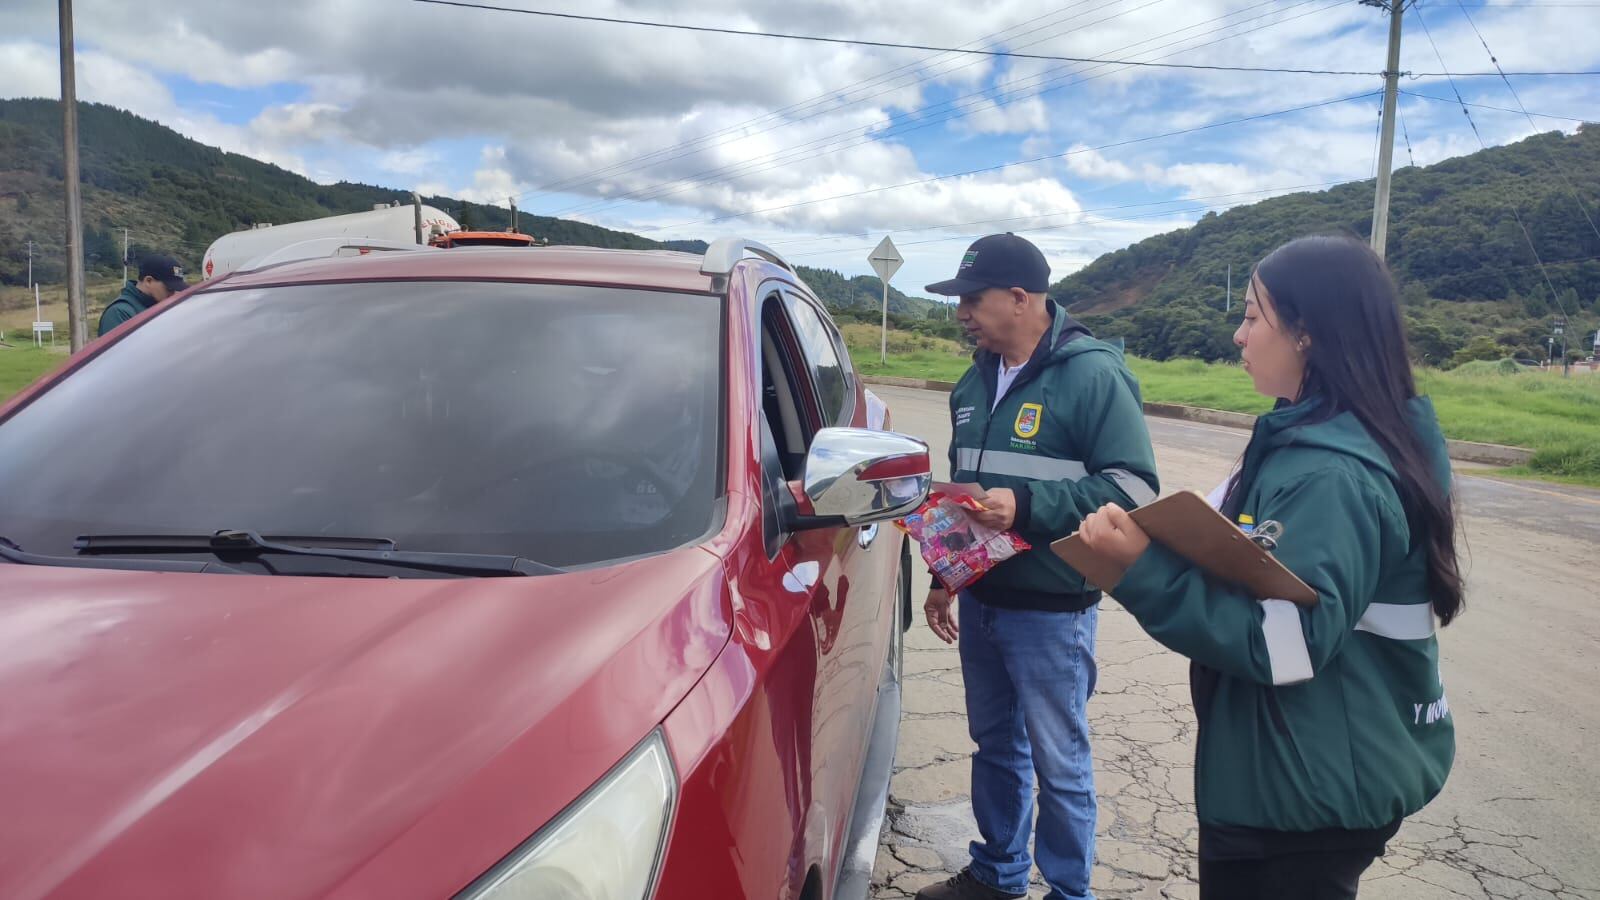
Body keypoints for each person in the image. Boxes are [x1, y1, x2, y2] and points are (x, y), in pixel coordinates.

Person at [1075, 235, 1460, 900]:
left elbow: (1287, 642)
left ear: (1307, 333)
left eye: (1253, 316)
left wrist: (1139, 570)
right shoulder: (1319, 437)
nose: (1238, 335)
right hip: (1301, 769)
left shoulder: (1333, 474)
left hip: (1300, 796)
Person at [916, 233, 1159, 900]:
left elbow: (1137, 490)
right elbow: (964, 494)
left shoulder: (1092, 375)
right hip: (984, 601)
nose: (961, 312)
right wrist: (945, 579)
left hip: (1053, 610)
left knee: (1060, 764)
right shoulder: (971, 382)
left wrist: (1026, 504)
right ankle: (996, 874)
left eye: (972, 299)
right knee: (995, 748)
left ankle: (1068, 892)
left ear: (1021, 298)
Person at [98, 255, 187, 336]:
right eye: (169, 289)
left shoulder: (159, 308)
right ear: (148, 281)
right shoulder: (119, 313)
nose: (173, 294)